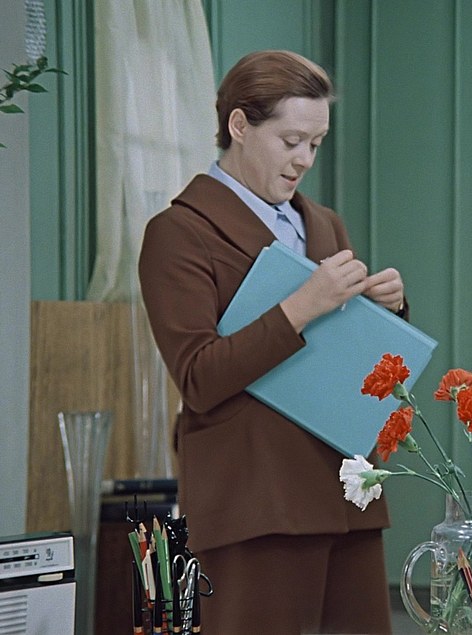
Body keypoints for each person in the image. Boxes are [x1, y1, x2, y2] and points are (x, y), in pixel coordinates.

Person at [138, 50, 404, 634]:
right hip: (254, 497)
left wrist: (386, 310)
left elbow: (343, 359)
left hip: (346, 489)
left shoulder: (324, 223)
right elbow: (199, 378)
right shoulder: (176, 234)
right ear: (239, 125)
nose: (305, 159)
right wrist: (305, 304)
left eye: (316, 143)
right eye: (291, 141)